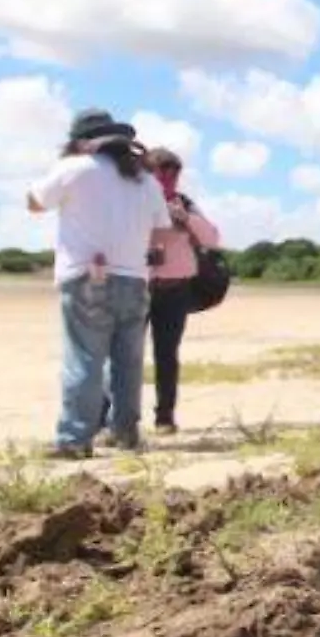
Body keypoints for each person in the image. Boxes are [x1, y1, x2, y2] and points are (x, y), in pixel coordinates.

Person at [27, 108, 171, 459]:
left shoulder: (74, 168)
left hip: (88, 275)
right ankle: (126, 432)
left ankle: (75, 439)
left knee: (85, 360)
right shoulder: (145, 180)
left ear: (82, 141)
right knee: (128, 361)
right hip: (134, 278)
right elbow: (162, 229)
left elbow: (34, 203)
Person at [138, 148, 220, 434]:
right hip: (138, 287)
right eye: (162, 173)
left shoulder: (184, 203)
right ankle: (114, 417)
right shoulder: (133, 202)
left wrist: (185, 219)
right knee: (125, 354)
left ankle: (165, 416)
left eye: (174, 174)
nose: (169, 180)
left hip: (176, 290)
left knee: (167, 355)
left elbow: (213, 237)